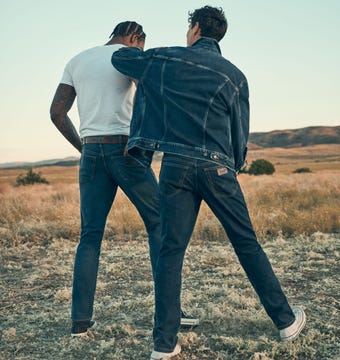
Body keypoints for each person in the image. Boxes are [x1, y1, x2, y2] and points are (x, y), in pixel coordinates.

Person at [111, 6, 306, 359]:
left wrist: (126, 44)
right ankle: (287, 322)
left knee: (171, 251)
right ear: (220, 35)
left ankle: (164, 345)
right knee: (247, 245)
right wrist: (234, 164)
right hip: (218, 168)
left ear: (195, 28)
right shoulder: (235, 76)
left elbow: (122, 60)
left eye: (190, 28)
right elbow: (239, 133)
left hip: (175, 168)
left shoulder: (168, 58)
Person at [49, 21, 198, 338]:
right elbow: (158, 98)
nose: (138, 52)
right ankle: (171, 311)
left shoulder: (77, 60)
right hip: (125, 151)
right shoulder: (128, 57)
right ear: (134, 38)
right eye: (139, 46)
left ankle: (80, 323)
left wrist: (84, 147)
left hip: (91, 153)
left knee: (90, 236)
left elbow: (57, 113)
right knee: (160, 224)